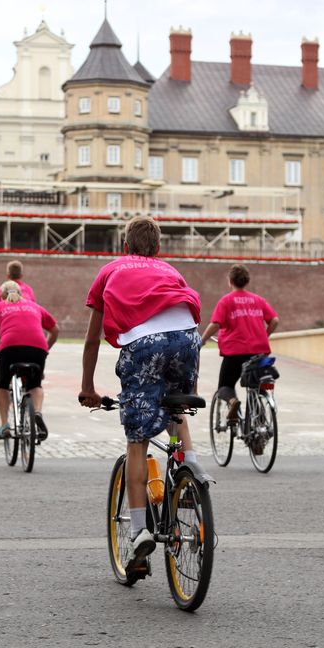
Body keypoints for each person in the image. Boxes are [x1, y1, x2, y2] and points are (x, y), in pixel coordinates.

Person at [78, 216, 204, 565]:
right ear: (158, 248)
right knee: (176, 406)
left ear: (125, 247)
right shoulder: (171, 271)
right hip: (188, 338)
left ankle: (138, 532)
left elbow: (92, 340)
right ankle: (192, 469)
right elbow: (187, 316)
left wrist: (87, 386)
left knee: (137, 441)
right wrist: (189, 386)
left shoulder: (111, 269)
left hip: (144, 343)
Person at [0, 280, 59, 440]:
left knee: (1, 385)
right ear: (21, 293)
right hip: (37, 349)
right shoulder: (35, 306)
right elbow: (55, 329)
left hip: (9, 348)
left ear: (0, 295)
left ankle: (5, 424)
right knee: (35, 384)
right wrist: (45, 349)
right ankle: (38, 413)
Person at [201, 264, 279, 424]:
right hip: (259, 355)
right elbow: (274, 320)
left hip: (235, 355)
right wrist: (265, 335)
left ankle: (232, 403)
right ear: (247, 281)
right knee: (257, 386)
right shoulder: (258, 300)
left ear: (230, 281)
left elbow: (216, 324)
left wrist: (201, 341)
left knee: (225, 386)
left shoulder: (226, 301)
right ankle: (259, 422)